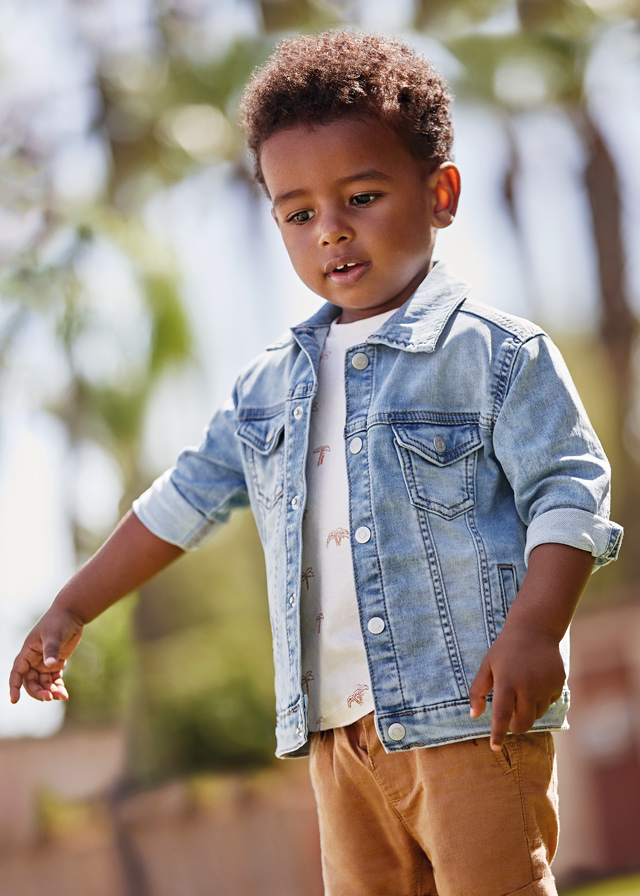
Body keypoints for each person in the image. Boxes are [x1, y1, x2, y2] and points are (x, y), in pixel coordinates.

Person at [10, 30, 622, 896]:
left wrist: (534, 629)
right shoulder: (268, 389)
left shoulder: (496, 354)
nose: (330, 229)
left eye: (362, 196)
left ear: (440, 193)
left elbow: (569, 494)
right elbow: (181, 501)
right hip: (338, 740)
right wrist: (71, 607)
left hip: (470, 718)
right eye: (298, 213)